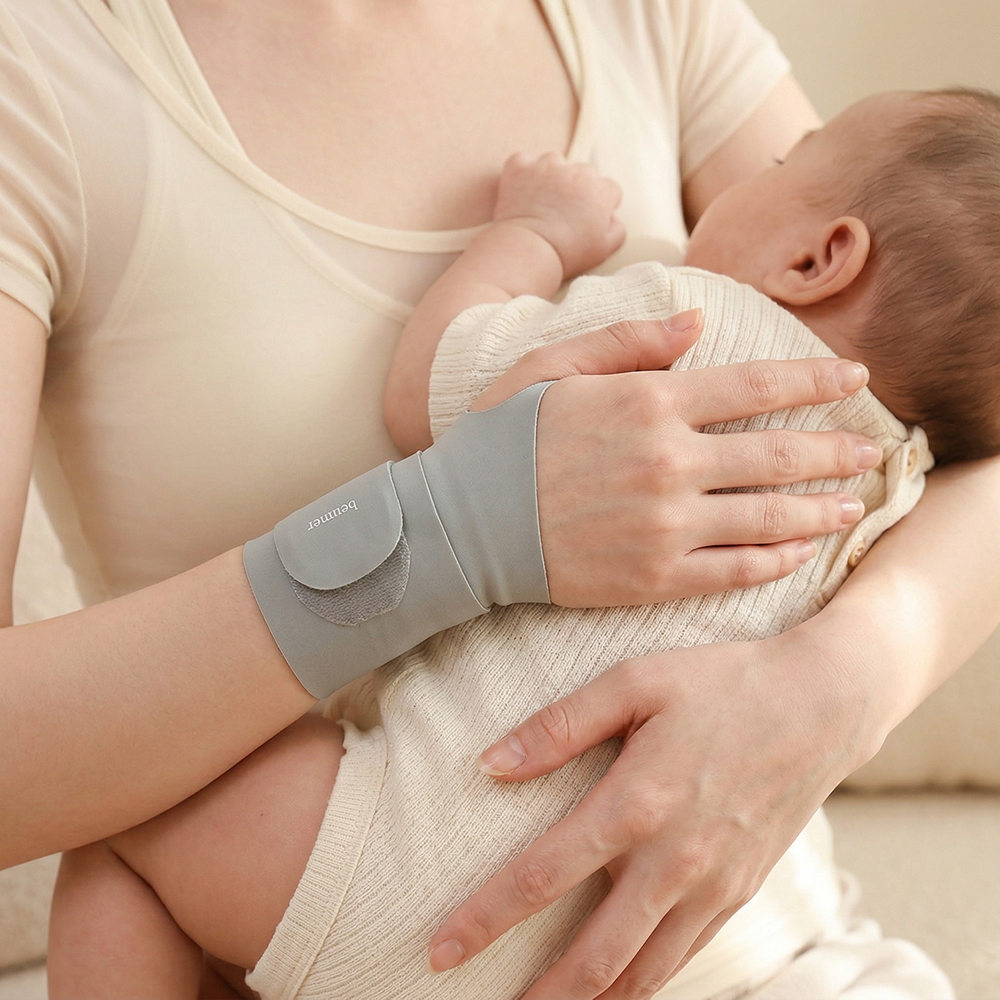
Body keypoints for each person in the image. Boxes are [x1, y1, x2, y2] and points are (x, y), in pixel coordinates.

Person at [1, 0, 998, 997]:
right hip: (730, 941)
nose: (750, 182)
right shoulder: (887, 458)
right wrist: (468, 526)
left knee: (123, 842)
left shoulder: (688, 285)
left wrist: (845, 674)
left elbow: (436, 379)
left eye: (778, 168)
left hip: (418, 888)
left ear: (820, 259)